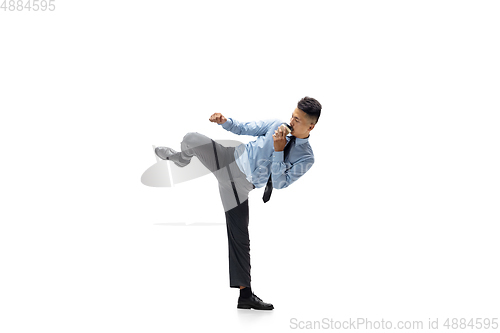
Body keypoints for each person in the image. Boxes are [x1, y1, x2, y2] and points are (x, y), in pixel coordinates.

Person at [155, 96, 322, 310]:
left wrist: (279, 151)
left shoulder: (306, 157)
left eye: (297, 120)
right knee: (191, 138)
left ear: (311, 126)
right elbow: (245, 128)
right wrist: (225, 121)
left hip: (240, 185)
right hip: (230, 156)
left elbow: (280, 184)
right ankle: (180, 159)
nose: (291, 121)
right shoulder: (276, 124)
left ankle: (245, 296)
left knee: (239, 236)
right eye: (292, 115)